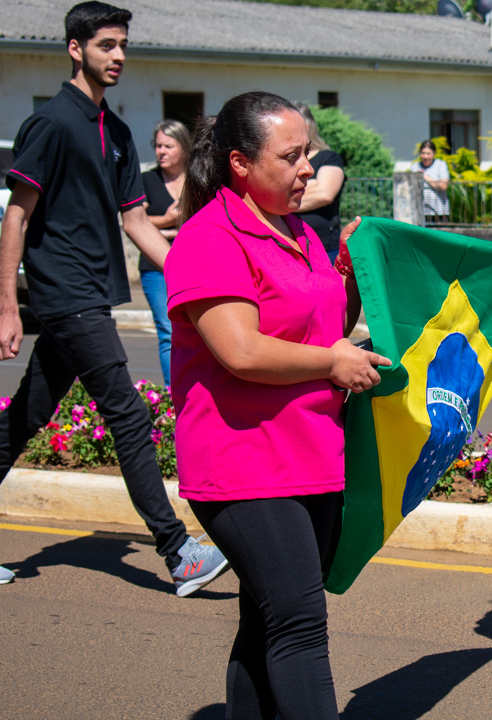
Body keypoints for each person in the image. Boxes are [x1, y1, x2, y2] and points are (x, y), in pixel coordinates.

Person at [0, 1, 228, 596]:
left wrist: (198, 276)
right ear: (76, 49)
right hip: (64, 293)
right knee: (129, 415)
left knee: (28, 413)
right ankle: (178, 551)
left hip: (91, 294)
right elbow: (16, 215)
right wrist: (8, 306)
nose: (120, 56)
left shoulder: (117, 132)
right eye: (107, 45)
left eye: (124, 45)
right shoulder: (51, 124)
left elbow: (137, 223)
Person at [165, 90, 391, 719]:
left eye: (308, 155)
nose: (307, 170)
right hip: (242, 462)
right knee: (298, 623)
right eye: (291, 157)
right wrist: (331, 362)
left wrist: (348, 273)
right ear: (240, 163)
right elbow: (240, 351)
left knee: (266, 621)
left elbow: (320, 327)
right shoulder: (210, 237)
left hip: (310, 454)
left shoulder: (299, 231)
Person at [141, 118, 192, 386]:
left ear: (183, 148)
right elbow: (134, 220)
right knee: (167, 332)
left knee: (195, 332)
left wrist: (161, 227)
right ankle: (173, 392)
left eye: (167, 146)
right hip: (155, 269)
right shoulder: (147, 179)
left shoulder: (196, 178)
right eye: (157, 146)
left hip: (193, 265)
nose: (160, 151)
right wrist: (168, 221)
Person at [292, 101, 345, 264]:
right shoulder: (285, 159)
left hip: (324, 247)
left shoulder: (328, 157)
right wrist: (313, 184)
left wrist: (281, 203)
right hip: (290, 244)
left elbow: (325, 194)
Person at [410, 139, 450, 222]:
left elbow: (443, 186)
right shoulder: (415, 167)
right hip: (421, 211)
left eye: (428, 154)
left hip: (439, 211)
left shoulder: (440, 165)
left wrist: (424, 177)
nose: (425, 157)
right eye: (423, 153)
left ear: (434, 154)